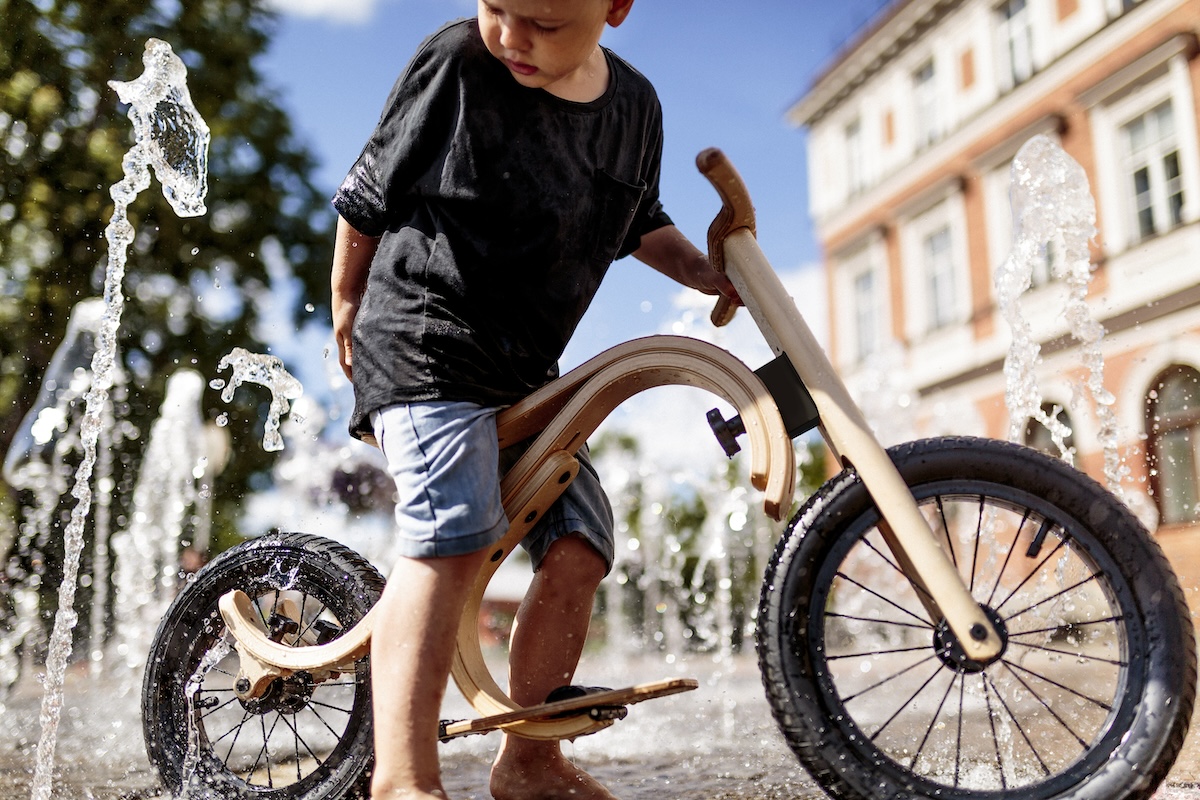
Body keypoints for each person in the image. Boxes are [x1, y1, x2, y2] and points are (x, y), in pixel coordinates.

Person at [329, 1, 737, 797]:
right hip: (424, 341)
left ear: (616, 8)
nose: (515, 36)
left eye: (545, 22)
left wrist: (700, 271)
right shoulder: (456, 63)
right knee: (449, 538)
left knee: (580, 542)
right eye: (497, 8)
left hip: (525, 375)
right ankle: (402, 779)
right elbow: (370, 191)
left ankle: (529, 759)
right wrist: (346, 304)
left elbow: (637, 221)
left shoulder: (634, 107)